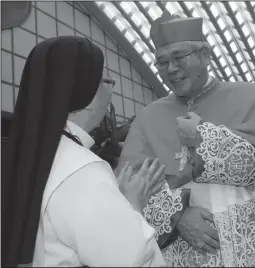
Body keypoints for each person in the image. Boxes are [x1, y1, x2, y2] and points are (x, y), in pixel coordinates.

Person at [115, 10, 255, 267]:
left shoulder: (251, 96)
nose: (171, 69)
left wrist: (202, 137)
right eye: (162, 62)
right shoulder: (148, 117)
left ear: (206, 55)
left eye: (179, 56)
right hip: (187, 253)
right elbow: (130, 182)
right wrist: (177, 215)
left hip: (254, 245)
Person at [2, 36, 168, 267]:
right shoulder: (80, 168)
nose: (111, 92)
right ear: (88, 93)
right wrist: (132, 204)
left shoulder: (19, 154)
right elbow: (130, 258)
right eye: (108, 81)